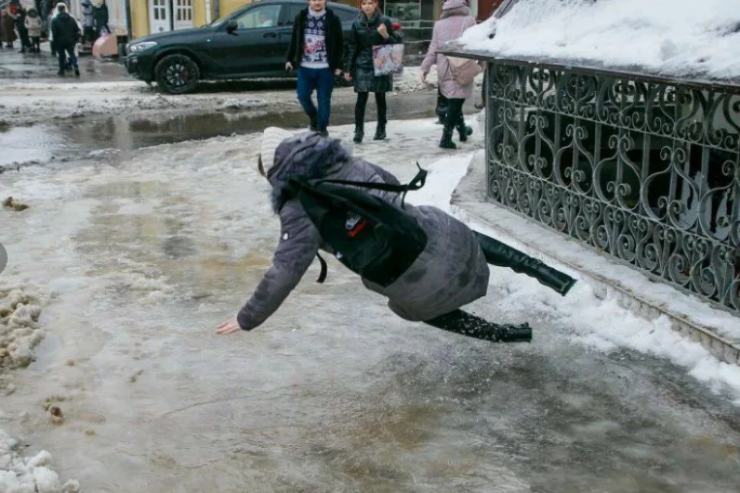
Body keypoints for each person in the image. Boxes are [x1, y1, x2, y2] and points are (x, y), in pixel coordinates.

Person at [215, 128, 575, 342]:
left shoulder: (297, 207)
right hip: (431, 235)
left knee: (415, 306)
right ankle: (553, 277)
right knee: (454, 231)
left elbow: (285, 270)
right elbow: (389, 183)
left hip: (405, 276)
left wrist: (248, 318)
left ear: (274, 172)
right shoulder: (343, 162)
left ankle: (503, 335)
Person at [420, 0, 479, 150]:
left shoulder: (439, 24)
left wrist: (425, 67)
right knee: (455, 102)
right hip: (462, 66)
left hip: (444, 68)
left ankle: (462, 131)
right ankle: (446, 138)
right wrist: (481, 64)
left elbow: (433, 48)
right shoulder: (469, 21)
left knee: (454, 101)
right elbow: (477, 45)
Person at [285, 0, 344, 138]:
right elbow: (294, 39)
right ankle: (314, 118)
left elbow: (340, 44)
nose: (317, 2)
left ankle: (322, 129)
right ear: (309, 1)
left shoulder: (333, 19)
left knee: (324, 99)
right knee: (302, 96)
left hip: (325, 68)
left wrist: (339, 66)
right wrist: (289, 59)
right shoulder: (301, 17)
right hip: (305, 67)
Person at [344, 0, 400, 143]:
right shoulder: (357, 23)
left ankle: (381, 127)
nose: (367, 6)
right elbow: (352, 47)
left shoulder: (384, 21)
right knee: (361, 97)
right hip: (363, 62)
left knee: (380, 96)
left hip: (381, 59)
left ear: (375, 4)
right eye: (364, 3)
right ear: (360, 6)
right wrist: (348, 68)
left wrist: (386, 35)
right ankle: (359, 130)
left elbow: (397, 43)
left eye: (370, 2)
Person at [51, 2, 80, 77]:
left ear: (58, 9)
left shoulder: (55, 20)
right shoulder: (71, 19)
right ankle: (75, 66)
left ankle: (61, 70)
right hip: (70, 40)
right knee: (72, 54)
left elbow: (54, 32)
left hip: (59, 41)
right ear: (64, 9)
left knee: (61, 56)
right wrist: (74, 39)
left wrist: (54, 42)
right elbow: (77, 29)